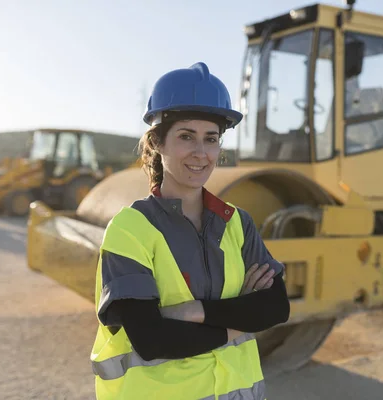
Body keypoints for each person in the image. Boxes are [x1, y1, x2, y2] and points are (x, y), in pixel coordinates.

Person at [90, 62, 290, 400]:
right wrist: (242, 314)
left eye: (210, 139)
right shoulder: (131, 229)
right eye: (186, 136)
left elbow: (275, 308)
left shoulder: (237, 223)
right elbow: (153, 340)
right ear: (157, 143)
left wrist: (195, 312)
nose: (201, 153)